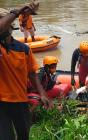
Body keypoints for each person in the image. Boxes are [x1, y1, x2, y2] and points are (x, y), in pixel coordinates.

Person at [0, 3, 52, 140]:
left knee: (24, 136)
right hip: (1, 103)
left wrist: (42, 93)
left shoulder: (23, 49)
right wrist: (16, 12)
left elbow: (32, 74)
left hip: (20, 101)